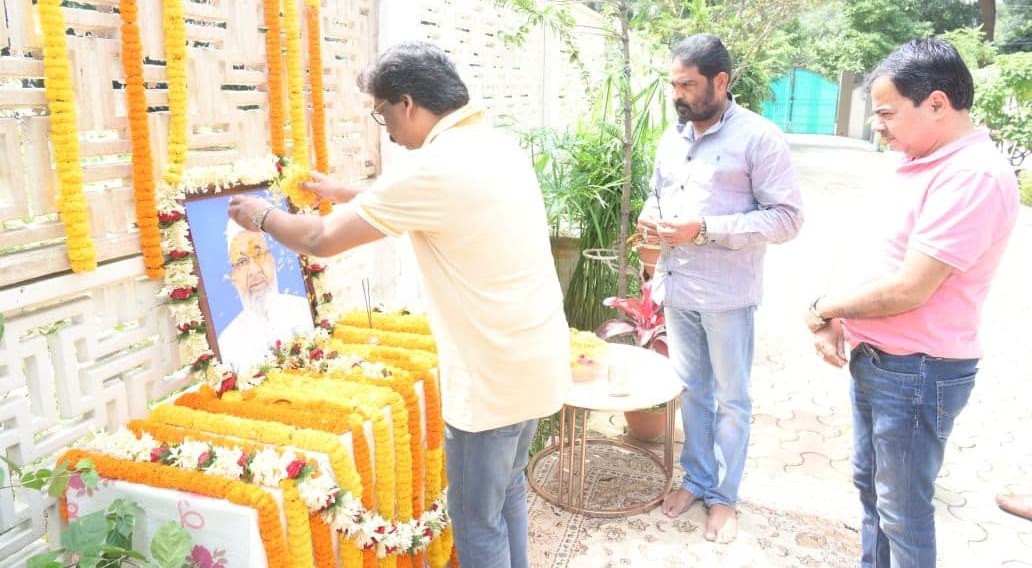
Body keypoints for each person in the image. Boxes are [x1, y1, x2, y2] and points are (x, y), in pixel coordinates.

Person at [228, 41, 570, 568]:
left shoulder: (433, 169)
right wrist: (342, 190)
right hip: (536, 362)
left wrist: (262, 216)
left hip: (491, 383)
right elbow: (412, 199)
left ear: (406, 103)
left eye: (381, 113)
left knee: (478, 528)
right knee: (507, 499)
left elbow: (319, 239)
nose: (383, 127)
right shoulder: (490, 144)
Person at [805, 39, 1019, 567]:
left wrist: (826, 309)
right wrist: (832, 311)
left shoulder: (972, 176)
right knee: (874, 493)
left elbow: (910, 287)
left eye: (886, 113)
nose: (878, 126)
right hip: (882, 361)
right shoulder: (923, 162)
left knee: (902, 511)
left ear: (937, 104)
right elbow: (870, 248)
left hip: (918, 372)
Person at [637, 34, 804, 542]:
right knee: (694, 392)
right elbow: (658, 195)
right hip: (680, 287)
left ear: (721, 81)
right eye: (672, 84)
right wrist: (650, 222)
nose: (677, 94)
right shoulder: (673, 137)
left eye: (687, 84)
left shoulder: (760, 138)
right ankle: (698, 479)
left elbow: (788, 219)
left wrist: (705, 229)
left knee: (732, 399)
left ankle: (725, 498)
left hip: (728, 296)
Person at [217, 219, 313, 371]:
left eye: (259, 254)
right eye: (242, 262)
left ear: (273, 260)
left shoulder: (306, 311)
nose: (254, 271)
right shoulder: (227, 344)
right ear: (232, 276)